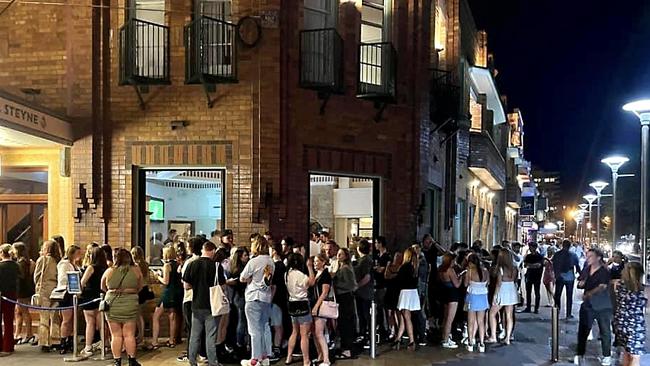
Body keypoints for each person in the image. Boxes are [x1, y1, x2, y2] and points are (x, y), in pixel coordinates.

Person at [183, 240, 226, 366]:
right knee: (210, 336)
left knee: (194, 336)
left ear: (203, 250)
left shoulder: (192, 264)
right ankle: (213, 362)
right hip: (213, 305)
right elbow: (222, 287)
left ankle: (192, 361)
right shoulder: (217, 266)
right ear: (212, 251)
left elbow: (186, 286)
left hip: (196, 304)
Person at [101, 248, 144, 366]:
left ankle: (117, 361)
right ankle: (132, 360)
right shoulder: (136, 270)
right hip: (130, 302)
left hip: (112, 303)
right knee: (129, 334)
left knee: (116, 335)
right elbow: (140, 287)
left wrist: (114, 292)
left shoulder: (109, 271)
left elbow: (103, 287)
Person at [239, 236, 275, 366]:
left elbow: (242, 278)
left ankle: (255, 359)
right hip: (266, 297)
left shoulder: (253, 261)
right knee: (265, 326)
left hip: (253, 297)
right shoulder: (271, 261)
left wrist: (250, 280)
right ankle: (265, 356)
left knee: (254, 330)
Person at [574, 249, 613, 366]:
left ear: (598, 258)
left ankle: (607, 355)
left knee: (605, 331)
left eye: (591, 256)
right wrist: (581, 283)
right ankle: (580, 353)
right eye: (587, 256)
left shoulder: (604, 271)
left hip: (602, 306)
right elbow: (580, 282)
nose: (588, 258)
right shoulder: (587, 269)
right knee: (583, 330)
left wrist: (589, 293)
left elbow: (602, 286)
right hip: (588, 306)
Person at [175, 237, 205, 363]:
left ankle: (191, 353)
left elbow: (185, 282)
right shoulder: (206, 261)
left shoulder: (190, 262)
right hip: (203, 298)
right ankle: (203, 352)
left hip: (189, 297)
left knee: (191, 328)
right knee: (202, 328)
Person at [285, 253, 316, 366]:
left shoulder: (287, 274)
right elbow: (311, 282)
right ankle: (306, 360)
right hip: (302, 303)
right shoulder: (300, 275)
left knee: (294, 332)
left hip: (292, 303)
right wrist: (310, 267)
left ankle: (289, 356)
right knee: (304, 334)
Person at [613, 262, 646, 366]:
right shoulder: (644, 290)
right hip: (635, 327)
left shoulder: (618, 286)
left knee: (626, 353)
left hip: (621, 323)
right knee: (635, 357)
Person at [152, 246, 183, 348]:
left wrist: (157, 276)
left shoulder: (167, 265)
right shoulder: (179, 264)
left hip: (168, 292)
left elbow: (166, 281)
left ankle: (155, 341)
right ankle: (171, 341)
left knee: (156, 316)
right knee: (172, 316)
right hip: (177, 292)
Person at [79, 246, 107, 357]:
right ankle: (104, 343)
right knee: (101, 322)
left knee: (90, 322)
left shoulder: (91, 268)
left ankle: (88, 346)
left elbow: (82, 282)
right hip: (101, 295)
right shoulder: (106, 267)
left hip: (89, 296)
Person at [34, 240, 61, 352]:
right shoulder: (58, 260)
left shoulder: (42, 259)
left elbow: (36, 276)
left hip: (44, 289)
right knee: (55, 316)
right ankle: (56, 340)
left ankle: (45, 342)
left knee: (44, 317)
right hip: (55, 288)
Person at [488, 248, 518, 345]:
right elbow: (515, 279)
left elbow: (498, 284)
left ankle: (493, 336)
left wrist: (495, 296)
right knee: (509, 315)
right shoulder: (514, 268)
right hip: (511, 289)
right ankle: (508, 338)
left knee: (492, 313)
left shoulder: (500, 269)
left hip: (503, 290)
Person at [392, 247, 420, 351]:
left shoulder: (404, 267)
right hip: (412, 292)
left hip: (405, 293)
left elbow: (398, 281)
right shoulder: (415, 267)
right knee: (405, 318)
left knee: (406, 318)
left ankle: (411, 341)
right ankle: (398, 339)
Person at [57, 244, 82, 354]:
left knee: (73, 319)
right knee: (66, 319)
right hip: (66, 293)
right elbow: (63, 279)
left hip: (74, 293)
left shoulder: (75, 264)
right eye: (78, 253)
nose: (80, 256)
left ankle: (71, 340)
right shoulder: (64, 264)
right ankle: (63, 341)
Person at [332, 248, 357, 360]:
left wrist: (336, 284)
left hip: (345, 299)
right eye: (338, 254)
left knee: (346, 324)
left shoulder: (346, 269)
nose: (338, 256)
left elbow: (351, 285)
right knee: (342, 324)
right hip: (342, 298)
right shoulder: (341, 267)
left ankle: (347, 349)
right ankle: (345, 348)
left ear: (346, 256)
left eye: (341, 254)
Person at [226, 246, 250, 354]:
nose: (247, 257)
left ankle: (240, 343)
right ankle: (240, 343)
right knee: (243, 321)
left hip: (237, 297)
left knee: (242, 321)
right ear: (240, 257)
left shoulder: (234, 268)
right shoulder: (240, 270)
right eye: (245, 255)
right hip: (241, 297)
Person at [12, 242, 36, 346]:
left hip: (23, 289)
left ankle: (29, 334)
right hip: (24, 288)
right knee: (18, 311)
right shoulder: (25, 261)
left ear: (18, 250)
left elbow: (21, 276)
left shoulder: (21, 262)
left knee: (24, 311)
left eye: (13, 249)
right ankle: (17, 333)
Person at [464, 253, 489, 353]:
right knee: (481, 322)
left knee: (470, 321)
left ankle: (470, 342)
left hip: (472, 297)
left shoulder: (469, 271)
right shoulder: (485, 271)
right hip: (483, 297)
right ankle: (482, 343)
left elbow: (465, 284)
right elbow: (488, 283)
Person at [311, 253, 332, 366]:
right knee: (315, 332)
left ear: (323, 262)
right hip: (315, 304)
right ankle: (320, 355)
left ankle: (326, 359)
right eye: (314, 262)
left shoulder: (325, 275)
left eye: (317, 261)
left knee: (319, 332)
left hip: (321, 306)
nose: (315, 264)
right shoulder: (316, 274)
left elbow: (324, 293)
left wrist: (316, 306)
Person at [553, 240, 581, 319]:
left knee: (558, 295)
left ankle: (557, 311)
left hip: (560, 276)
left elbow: (554, 265)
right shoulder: (573, 255)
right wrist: (581, 276)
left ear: (562, 245)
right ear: (569, 246)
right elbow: (577, 266)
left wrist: (556, 275)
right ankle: (568, 314)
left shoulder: (557, 254)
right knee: (569, 296)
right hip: (570, 276)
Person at [438, 253, 461, 349]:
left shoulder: (440, 269)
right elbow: (457, 284)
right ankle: (446, 340)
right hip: (452, 294)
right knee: (449, 319)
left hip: (444, 293)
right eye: (454, 260)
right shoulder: (450, 270)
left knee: (445, 317)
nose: (454, 262)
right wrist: (461, 277)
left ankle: (444, 337)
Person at [130, 246, 152, 346]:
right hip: (145, 289)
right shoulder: (145, 264)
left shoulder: (135, 266)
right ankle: (140, 335)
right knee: (139, 314)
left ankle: (141, 336)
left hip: (138, 290)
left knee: (138, 315)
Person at [0, 244, 19, 356]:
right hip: (11, 295)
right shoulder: (16, 266)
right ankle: (8, 346)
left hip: (1, 294)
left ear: (2, 253)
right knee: (9, 321)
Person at [269, 241, 286, 361]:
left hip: (275, 299)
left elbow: (274, 285)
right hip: (280, 298)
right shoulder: (281, 265)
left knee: (277, 325)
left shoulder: (276, 266)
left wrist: (269, 299)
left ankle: (276, 348)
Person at [354, 239, 373, 344]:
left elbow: (367, 277)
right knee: (362, 314)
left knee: (365, 315)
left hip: (364, 292)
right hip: (362, 292)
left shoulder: (365, 261)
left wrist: (357, 286)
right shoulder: (363, 260)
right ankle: (363, 334)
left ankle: (367, 335)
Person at [373, 236, 391, 341]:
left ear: (380, 244)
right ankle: (381, 328)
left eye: (376, 243)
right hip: (377, 284)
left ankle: (385, 329)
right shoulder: (377, 256)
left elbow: (381, 270)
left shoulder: (386, 256)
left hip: (383, 285)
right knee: (378, 308)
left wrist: (376, 268)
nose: (375, 245)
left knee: (383, 308)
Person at [384, 251, 403, 339]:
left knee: (398, 312)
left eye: (399, 257)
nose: (397, 258)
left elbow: (398, 277)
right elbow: (386, 276)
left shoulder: (401, 268)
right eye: (396, 256)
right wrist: (388, 267)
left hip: (397, 291)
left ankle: (399, 329)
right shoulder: (390, 266)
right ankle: (392, 329)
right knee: (390, 312)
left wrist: (393, 275)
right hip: (390, 290)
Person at [522, 242, 544, 313]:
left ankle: (536, 308)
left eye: (531, 247)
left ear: (535, 247)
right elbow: (525, 265)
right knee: (528, 292)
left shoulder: (540, 256)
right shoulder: (528, 256)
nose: (530, 248)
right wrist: (533, 265)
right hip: (529, 275)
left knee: (537, 292)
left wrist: (530, 265)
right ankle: (528, 307)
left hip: (537, 276)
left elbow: (539, 265)